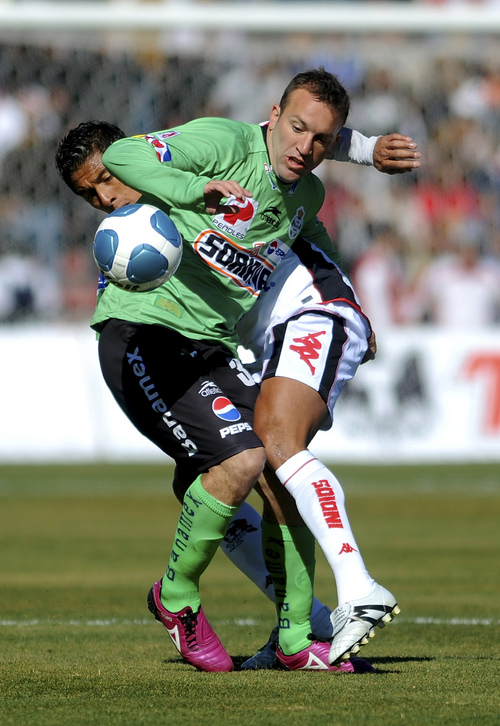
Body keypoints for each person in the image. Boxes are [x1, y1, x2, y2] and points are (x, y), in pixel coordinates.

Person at [55, 68, 419, 672]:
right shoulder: (150, 213)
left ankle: (297, 637)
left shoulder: (261, 177)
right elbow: (136, 158)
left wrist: (348, 299)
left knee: (275, 469)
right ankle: (176, 597)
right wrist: (195, 192)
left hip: (213, 347)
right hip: (141, 337)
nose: (106, 200)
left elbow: (307, 226)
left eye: (105, 184)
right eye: (89, 196)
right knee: (242, 460)